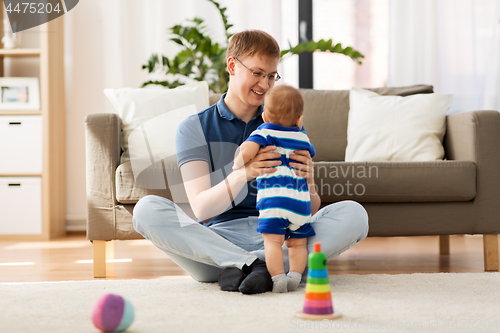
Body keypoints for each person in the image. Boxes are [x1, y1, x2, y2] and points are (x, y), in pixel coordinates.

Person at [132, 29, 369, 295]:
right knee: (146, 209)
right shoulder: (194, 127)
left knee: (354, 214)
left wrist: (309, 182)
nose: (265, 85)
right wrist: (243, 173)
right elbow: (201, 210)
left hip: (279, 235)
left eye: (271, 76)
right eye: (257, 73)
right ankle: (259, 266)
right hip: (216, 245)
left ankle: (251, 268)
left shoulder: (286, 125)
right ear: (232, 66)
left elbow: (309, 209)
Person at [232, 85, 315, 293]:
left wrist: (239, 160)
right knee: (297, 244)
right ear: (299, 119)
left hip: (274, 204)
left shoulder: (263, 132)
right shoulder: (302, 137)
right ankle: (295, 276)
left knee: (273, 243)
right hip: (301, 206)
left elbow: (242, 157)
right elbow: (309, 157)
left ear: (265, 116)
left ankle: (278, 279)